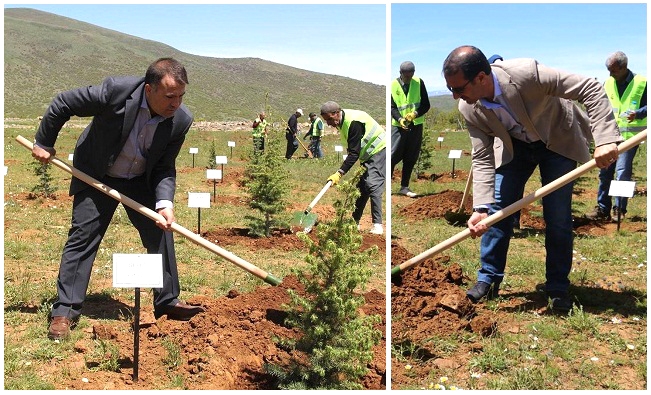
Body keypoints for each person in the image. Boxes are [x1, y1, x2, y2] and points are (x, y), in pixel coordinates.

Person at [32, 58, 205, 340]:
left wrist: (165, 203)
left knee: (160, 231)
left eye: (181, 96)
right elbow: (64, 102)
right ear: (149, 90)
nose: (176, 103)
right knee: (83, 236)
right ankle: (65, 310)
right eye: (170, 96)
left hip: (139, 180)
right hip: (97, 174)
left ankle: (167, 301)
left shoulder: (180, 120)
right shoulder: (115, 91)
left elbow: (164, 166)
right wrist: (44, 142)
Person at [442, 46, 622, 312]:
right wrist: (480, 207)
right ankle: (488, 280)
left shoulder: (526, 74)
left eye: (459, 88)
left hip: (556, 139)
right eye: (451, 90)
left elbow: (590, 87)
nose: (456, 96)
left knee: (558, 217)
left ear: (481, 77)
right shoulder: (469, 108)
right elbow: (482, 158)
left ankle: (557, 287)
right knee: (496, 213)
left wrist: (605, 139)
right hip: (516, 148)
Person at [586, 51, 647, 221]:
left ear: (623, 67)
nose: (610, 74)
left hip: (629, 138)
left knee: (622, 173)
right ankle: (602, 208)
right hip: (609, 137)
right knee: (605, 172)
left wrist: (639, 113)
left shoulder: (642, 83)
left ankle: (619, 210)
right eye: (608, 70)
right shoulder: (608, 83)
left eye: (613, 70)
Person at [320, 101, 386, 235]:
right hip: (367, 155)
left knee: (373, 185)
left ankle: (377, 225)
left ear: (336, 113)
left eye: (329, 119)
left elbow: (354, 153)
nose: (328, 123)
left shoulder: (353, 122)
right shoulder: (342, 122)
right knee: (361, 188)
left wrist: (339, 173)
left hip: (378, 150)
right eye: (326, 120)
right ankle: (354, 223)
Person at [390, 61, 431, 198]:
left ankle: (404, 187)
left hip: (415, 125)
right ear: (400, 73)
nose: (408, 78)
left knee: (411, 156)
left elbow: (426, 104)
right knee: (392, 155)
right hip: (398, 126)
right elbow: (392, 107)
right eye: (406, 76)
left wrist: (415, 114)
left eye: (411, 75)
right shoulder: (393, 85)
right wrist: (400, 119)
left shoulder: (419, 83)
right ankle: (386, 186)